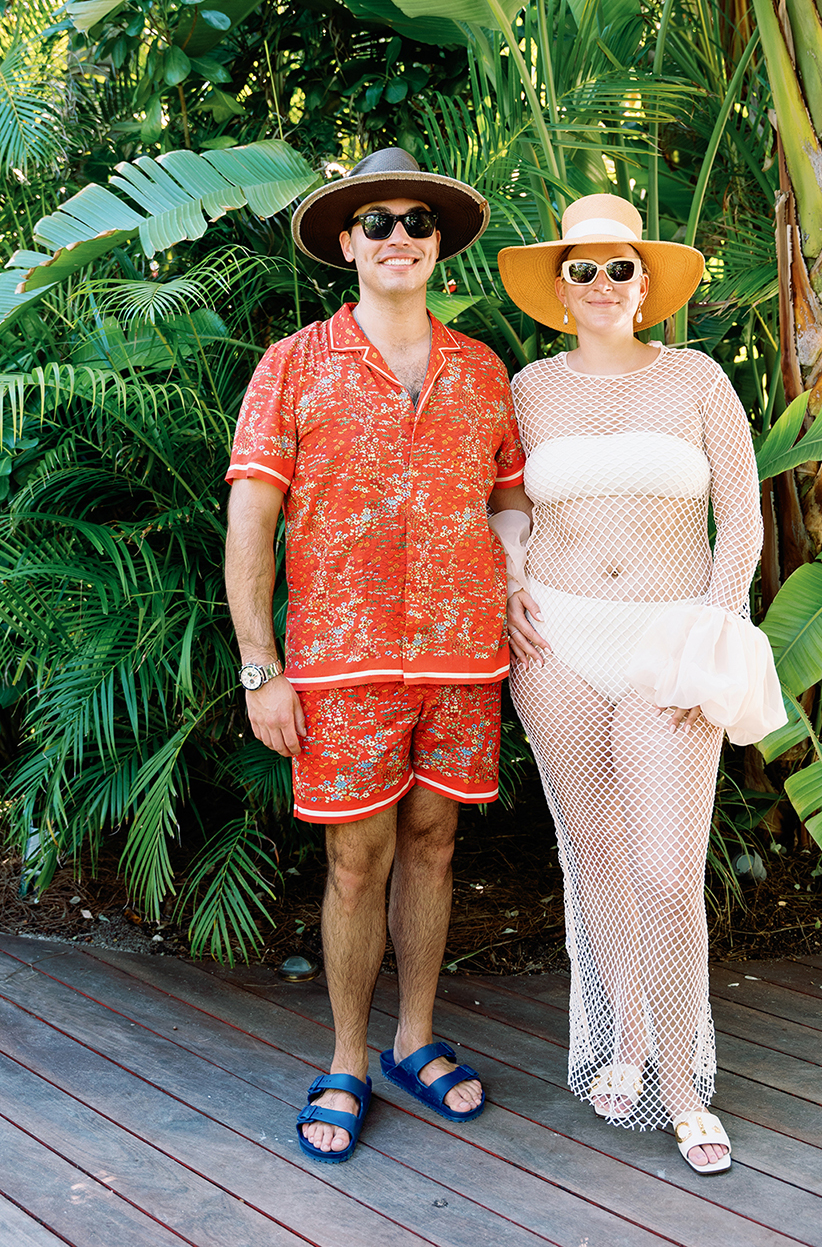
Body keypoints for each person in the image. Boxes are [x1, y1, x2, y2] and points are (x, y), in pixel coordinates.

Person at [225, 146, 527, 1164]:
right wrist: (260, 666)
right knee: (356, 860)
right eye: (378, 221)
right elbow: (250, 518)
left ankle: (414, 1038)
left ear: (438, 243)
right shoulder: (293, 364)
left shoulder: (483, 369)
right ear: (347, 243)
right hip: (339, 663)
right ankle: (347, 1057)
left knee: (436, 841)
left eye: (416, 221)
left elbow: (510, 496)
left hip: (461, 657)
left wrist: (515, 580)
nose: (399, 235)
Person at [492, 194, 786, 1174]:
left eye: (621, 268)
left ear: (646, 285)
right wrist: (508, 578)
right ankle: (624, 1042)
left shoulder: (698, 380)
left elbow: (740, 519)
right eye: (584, 270)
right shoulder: (528, 389)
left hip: (669, 639)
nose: (604, 285)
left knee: (665, 872)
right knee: (599, 854)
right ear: (560, 288)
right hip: (557, 643)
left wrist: (714, 612)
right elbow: (502, 505)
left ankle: (682, 1084)